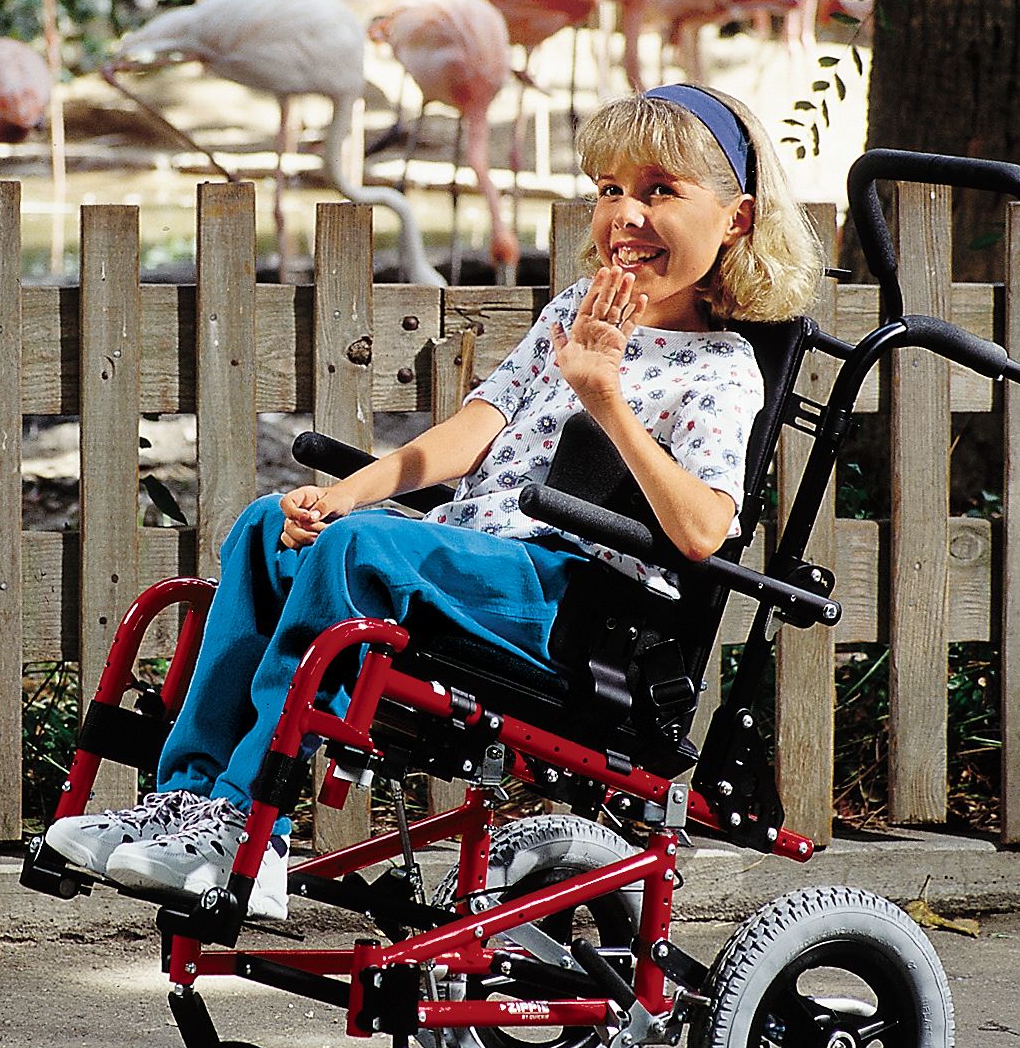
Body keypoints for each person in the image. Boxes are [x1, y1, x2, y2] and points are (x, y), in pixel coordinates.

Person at [43, 83, 825, 917]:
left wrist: (605, 398)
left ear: (736, 219)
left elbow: (704, 531)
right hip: (476, 558)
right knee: (272, 526)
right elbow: (469, 433)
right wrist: (346, 494)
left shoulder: (721, 367)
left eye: (660, 191)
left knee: (357, 554)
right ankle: (189, 801)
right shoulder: (569, 309)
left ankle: (248, 828)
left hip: (580, 605)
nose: (625, 215)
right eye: (609, 190)